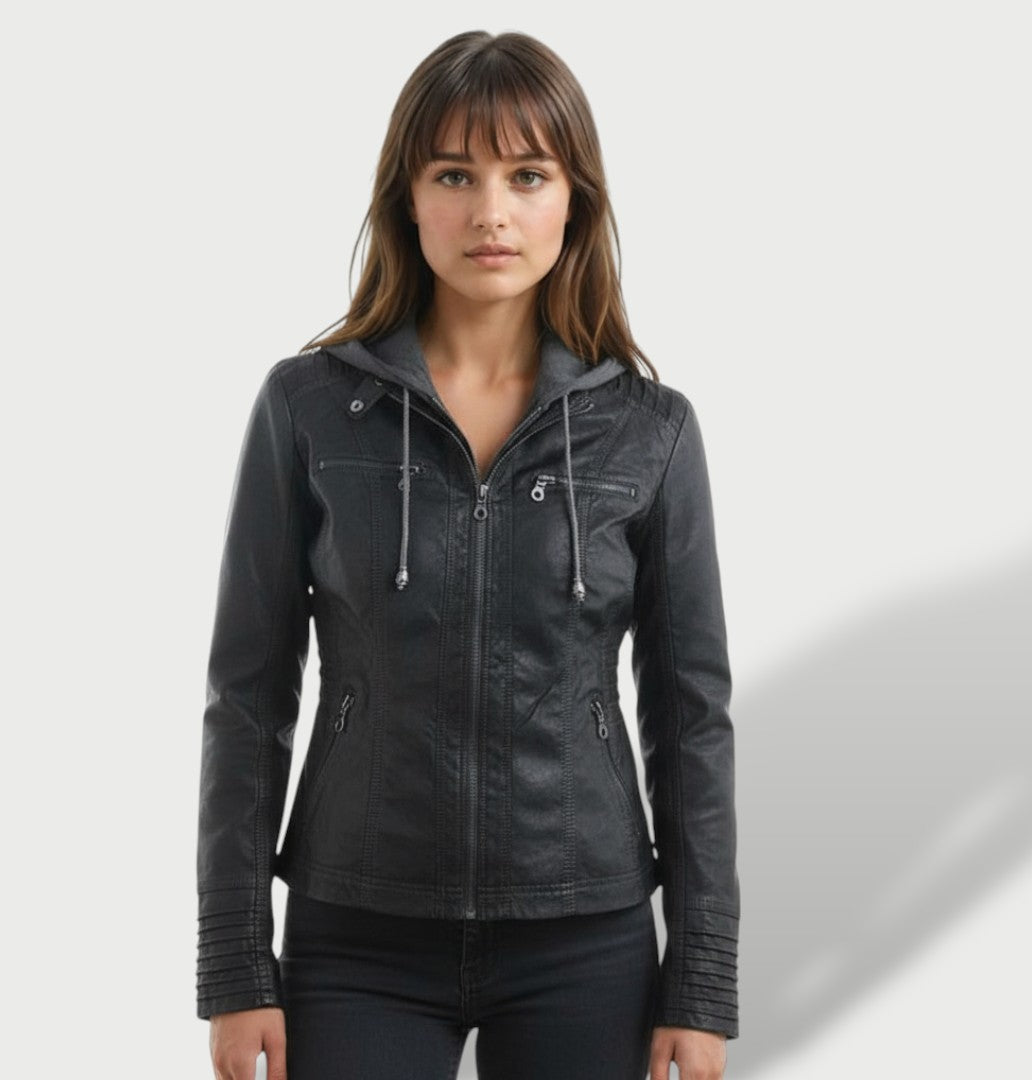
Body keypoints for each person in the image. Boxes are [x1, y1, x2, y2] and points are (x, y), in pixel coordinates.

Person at [196, 28, 740, 1080]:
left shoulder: (651, 430)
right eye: (455, 174)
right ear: (408, 197)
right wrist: (235, 965)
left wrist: (702, 980)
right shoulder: (308, 408)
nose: (491, 211)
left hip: (586, 934)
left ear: (574, 200)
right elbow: (247, 697)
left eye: (527, 175)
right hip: (357, 931)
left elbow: (692, 715)